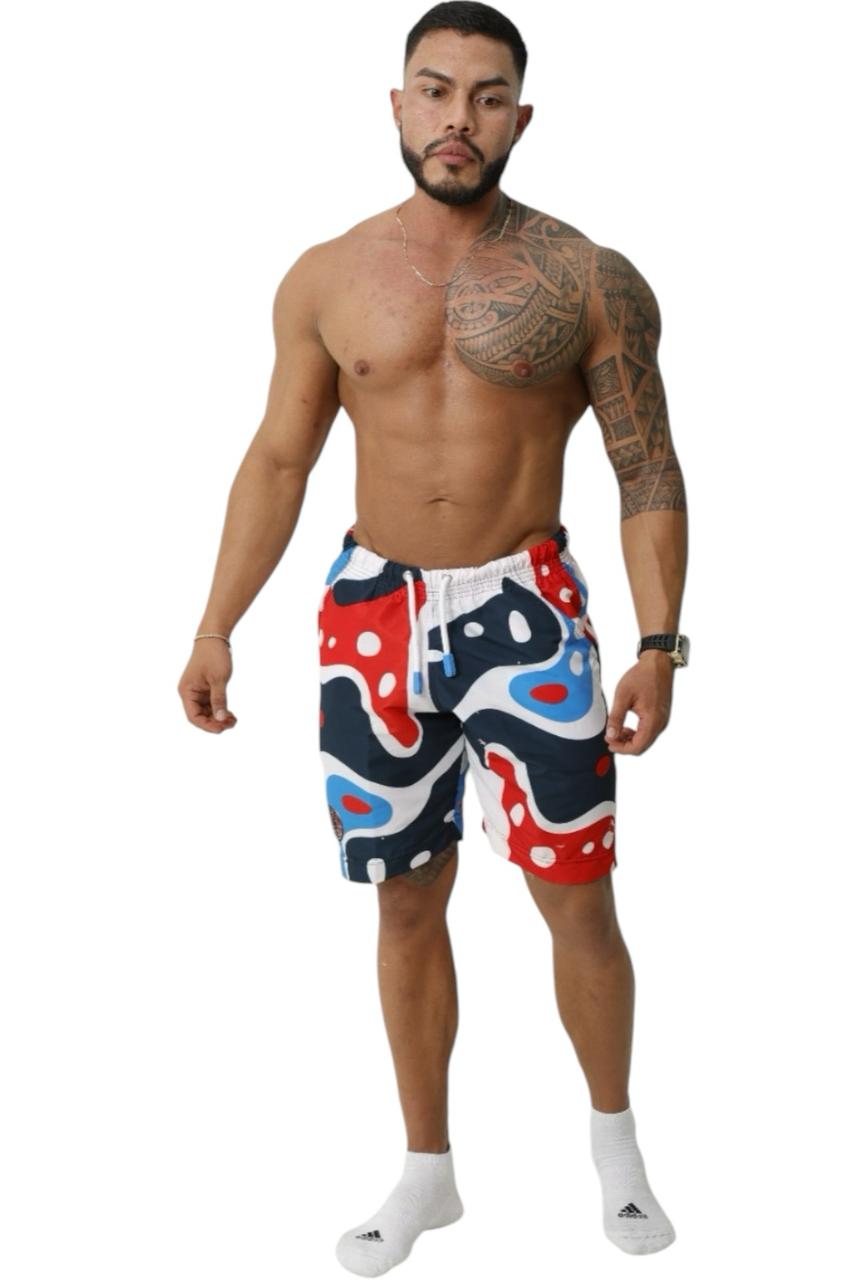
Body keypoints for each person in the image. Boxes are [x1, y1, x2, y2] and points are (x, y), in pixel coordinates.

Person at [177, 2, 689, 1272]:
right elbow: (281, 458)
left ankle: (616, 1147)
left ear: (522, 116)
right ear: (397, 104)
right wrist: (216, 622)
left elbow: (645, 469)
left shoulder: (589, 277)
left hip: (530, 610)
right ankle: (427, 1172)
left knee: (576, 893)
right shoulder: (326, 275)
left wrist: (659, 642)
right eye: (437, 89)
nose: (460, 117)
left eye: (488, 95)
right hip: (375, 616)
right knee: (405, 897)